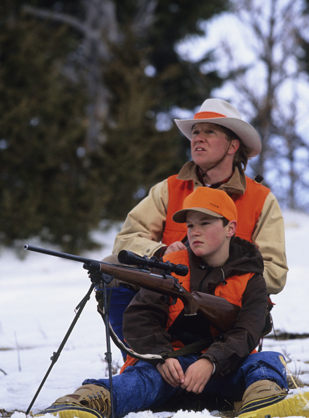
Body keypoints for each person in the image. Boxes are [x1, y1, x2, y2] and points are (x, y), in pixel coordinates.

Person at [37, 188, 309, 418]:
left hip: (227, 366)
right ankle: (86, 401)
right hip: (173, 370)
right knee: (142, 379)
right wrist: (163, 358)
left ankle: (265, 402)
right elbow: (140, 318)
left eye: (205, 223)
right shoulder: (171, 267)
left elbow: (248, 331)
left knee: (266, 361)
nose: (195, 232)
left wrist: (210, 361)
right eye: (190, 225)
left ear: (231, 228)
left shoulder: (252, 276)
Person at [105, 98, 288, 348]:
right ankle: (141, 356)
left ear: (233, 145)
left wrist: (221, 275)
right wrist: (162, 253)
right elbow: (125, 241)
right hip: (170, 299)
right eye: (195, 132)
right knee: (112, 268)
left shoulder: (262, 200)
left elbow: (275, 273)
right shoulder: (168, 189)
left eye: (209, 132)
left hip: (230, 312)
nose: (198, 138)